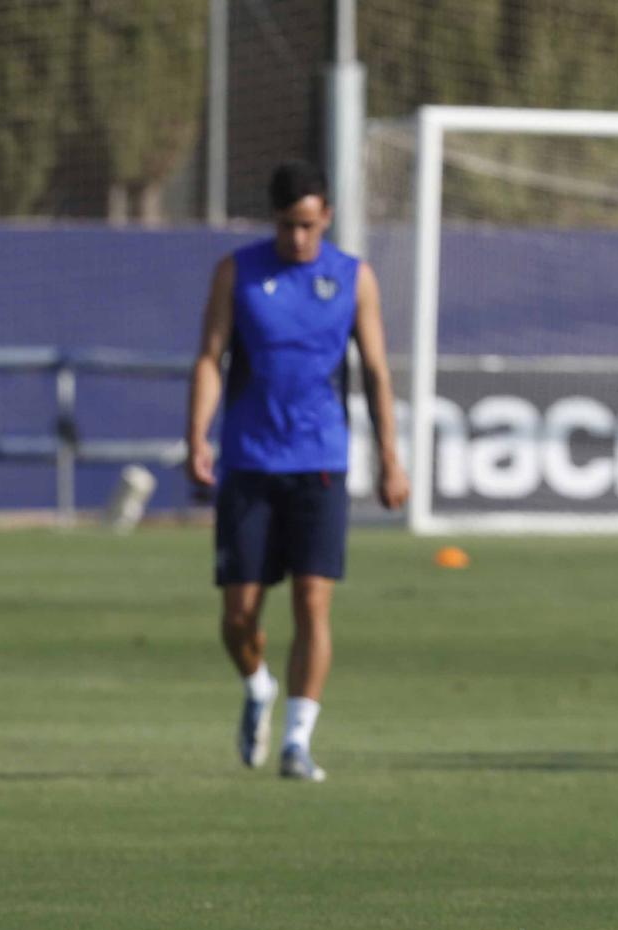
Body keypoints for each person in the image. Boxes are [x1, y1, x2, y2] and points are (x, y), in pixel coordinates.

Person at [185, 159, 408, 782]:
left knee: (314, 602)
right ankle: (259, 685)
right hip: (250, 461)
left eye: (309, 226)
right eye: (288, 226)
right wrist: (197, 435)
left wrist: (391, 456)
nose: (298, 239)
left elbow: (377, 371)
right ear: (274, 220)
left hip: (321, 462)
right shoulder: (238, 272)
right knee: (238, 617)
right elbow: (210, 358)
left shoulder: (354, 278)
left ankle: (297, 741)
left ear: (327, 217)